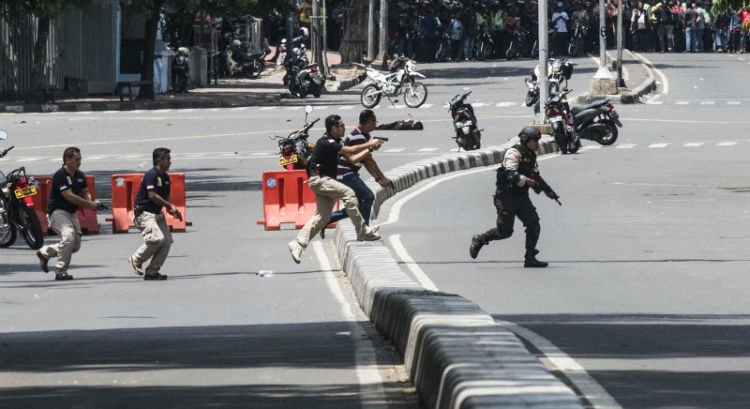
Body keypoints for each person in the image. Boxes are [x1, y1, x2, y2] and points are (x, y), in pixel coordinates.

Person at [289, 115, 383, 264]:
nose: (344, 128)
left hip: (327, 182)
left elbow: (352, 158)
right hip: (319, 180)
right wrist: (369, 144)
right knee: (349, 194)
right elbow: (352, 148)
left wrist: (370, 147)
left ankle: (298, 244)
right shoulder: (327, 142)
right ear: (333, 128)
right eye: (341, 125)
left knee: (323, 217)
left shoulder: (337, 141)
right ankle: (362, 231)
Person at [469, 127, 558, 268]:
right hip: (506, 197)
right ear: (526, 141)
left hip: (522, 197)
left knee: (534, 224)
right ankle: (481, 239)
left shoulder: (531, 155)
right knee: (505, 232)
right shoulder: (514, 153)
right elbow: (511, 175)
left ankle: (530, 257)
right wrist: (526, 180)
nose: (537, 144)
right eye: (535, 141)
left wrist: (548, 191)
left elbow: (535, 176)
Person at [36, 147, 103, 281]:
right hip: (57, 212)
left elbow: (84, 192)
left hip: (71, 213)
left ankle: (45, 252)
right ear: (67, 160)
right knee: (68, 238)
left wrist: (91, 202)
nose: (79, 162)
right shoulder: (60, 175)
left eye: (80, 159)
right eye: (76, 159)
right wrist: (89, 205)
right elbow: (69, 196)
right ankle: (61, 271)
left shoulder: (79, 175)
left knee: (75, 245)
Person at [326, 110, 391, 235]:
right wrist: (381, 178)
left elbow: (367, 161)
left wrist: (379, 178)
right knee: (368, 196)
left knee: (358, 203)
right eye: (374, 121)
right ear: (368, 122)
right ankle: (364, 230)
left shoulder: (363, 135)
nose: (375, 125)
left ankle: (330, 218)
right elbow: (367, 160)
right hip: (345, 173)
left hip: (349, 173)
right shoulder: (358, 137)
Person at [128, 148, 180, 281]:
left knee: (167, 241)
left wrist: (172, 209)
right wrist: (168, 205)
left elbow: (166, 197)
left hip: (157, 214)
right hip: (144, 214)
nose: (170, 162)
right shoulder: (151, 175)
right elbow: (152, 195)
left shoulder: (165, 177)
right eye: (167, 159)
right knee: (157, 239)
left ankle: (152, 271)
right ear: (159, 160)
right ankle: (136, 259)